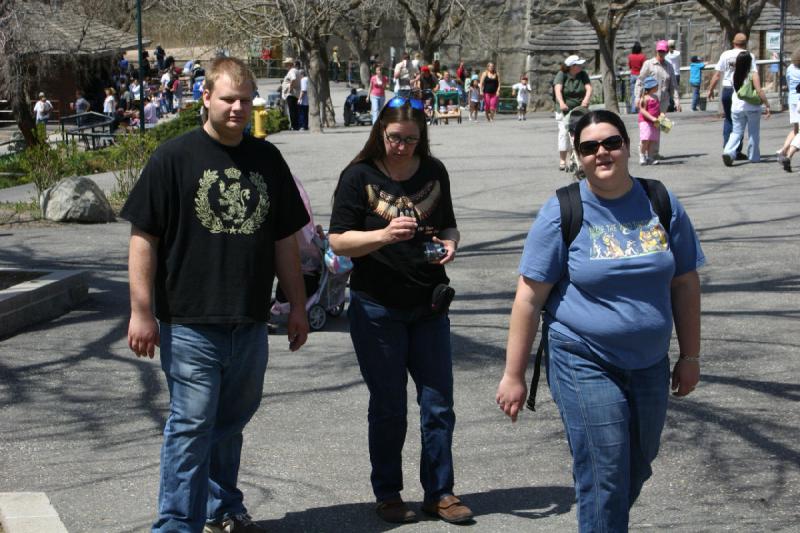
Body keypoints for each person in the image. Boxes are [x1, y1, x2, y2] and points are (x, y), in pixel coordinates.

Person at [121, 56, 310, 533]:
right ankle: (175, 524)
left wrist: (298, 306)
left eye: (246, 100)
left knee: (230, 423)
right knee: (191, 426)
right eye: (228, 98)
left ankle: (222, 507)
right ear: (205, 97)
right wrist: (141, 312)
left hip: (249, 320)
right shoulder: (173, 158)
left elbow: (284, 239)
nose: (237, 108)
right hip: (189, 322)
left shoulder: (267, 159)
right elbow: (144, 239)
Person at [496, 109, 704, 533]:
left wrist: (691, 355)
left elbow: (684, 283)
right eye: (589, 147)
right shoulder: (563, 211)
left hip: (649, 361)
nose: (602, 153)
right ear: (578, 156)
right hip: (582, 358)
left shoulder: (660, 202)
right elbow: (528, 299)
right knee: (605, 473)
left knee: (637, 466)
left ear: (627, 146)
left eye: (611, 142)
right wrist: (513, 375)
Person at [328, 96, 472, 526]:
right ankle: (388, 494)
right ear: (380, 132)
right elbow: (337, 241)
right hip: (377, 309)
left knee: (438, 404)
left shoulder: (433, 171)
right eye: (395, 138)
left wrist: (451, 242)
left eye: (411, 139)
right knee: (389, 407)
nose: (402, 147)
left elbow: (448, 223)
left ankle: (440, 492)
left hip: (428, 306)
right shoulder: (359, 176)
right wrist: (386, 235)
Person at [707, 33, 754, 161]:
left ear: (734, 43)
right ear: (745, 43)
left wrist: (710, 89)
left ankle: (727, 148)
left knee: (728, 119)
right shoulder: (749, 55)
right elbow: (754, 74)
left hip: (727, 88)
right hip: (742, 90)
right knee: (740, 121)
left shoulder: (725, 55)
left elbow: (717, 74)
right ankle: (736, 150)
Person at [635, 40, 681, 160]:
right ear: (656, 50)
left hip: (663, 101)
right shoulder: (648, 64)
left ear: (667, 51)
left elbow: (673, 85)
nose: (661, 53)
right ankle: (642, 149)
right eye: (659, 51)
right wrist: (637, 97)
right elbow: (640, 81)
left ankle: (653, 153)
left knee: (658, 125)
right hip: (649, 101)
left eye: (664, 51)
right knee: (647, 126)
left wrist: (676, 101)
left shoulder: (669, 66)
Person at [722, 51, 770, 166]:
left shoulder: (734, 74)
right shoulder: (753, 74)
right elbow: (759, 91)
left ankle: (728, 152)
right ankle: (753, 157)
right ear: (750, 62)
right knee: (753, 132)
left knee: (736, 132)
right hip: (752, 107)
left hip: (737, 107)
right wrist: (767, 104)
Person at [554, 55, 592, 171]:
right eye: (578, 64)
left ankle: (576, 158)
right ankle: (562, 160)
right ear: (572, 66)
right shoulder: (562, 74)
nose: (581, 66)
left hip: (579, 108)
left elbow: (589, 88)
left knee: (578, 133)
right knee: (564, 133)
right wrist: (561, 103)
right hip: (565, 109)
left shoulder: (583, 74)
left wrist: (586, 99)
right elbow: (558, 89)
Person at [776, 49, 800, 167]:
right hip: (799, 100)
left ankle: (783, 151)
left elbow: (789, 83)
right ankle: (787, 152)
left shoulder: (790, 68)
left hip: (792, 100)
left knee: (796, 129)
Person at [638, 77, 662, 165]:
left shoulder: (656, 97)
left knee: (652, 140)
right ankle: (642, 155)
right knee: (645, 139)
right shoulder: (644, 98)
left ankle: (650, 157)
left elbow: (657, 110)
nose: (658, 87)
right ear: (652, 87)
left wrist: (661, 119)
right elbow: (642, 110)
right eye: (656, 85)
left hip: (654, 122)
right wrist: (652, 118)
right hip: (645, 122)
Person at [281, 58, 301, 130]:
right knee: (295, 110)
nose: (285, 66)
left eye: (286, 64)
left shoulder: (292, 71)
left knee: (292, 110)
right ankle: (296, 125)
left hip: (291, 94)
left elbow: (293, 79)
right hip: (295, 93)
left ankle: (294, 126)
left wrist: (290, 89)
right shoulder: (296, 71)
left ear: (290, 64)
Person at [628, 42, 646, 114]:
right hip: (640, 76)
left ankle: (633, 109)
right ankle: (640, 109)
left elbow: (629, 66)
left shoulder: (630, 56)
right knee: (641, 94)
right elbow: (644, 67)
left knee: (633, 94)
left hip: (632, 75)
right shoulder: (642, 56)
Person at [665, 39, 682, 110]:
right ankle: (676, 105)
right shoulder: (678, 53)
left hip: (669, 73)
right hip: (677, 74)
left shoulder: (666, 55)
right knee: (675, 90)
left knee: (669, 91)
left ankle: (670, 105)